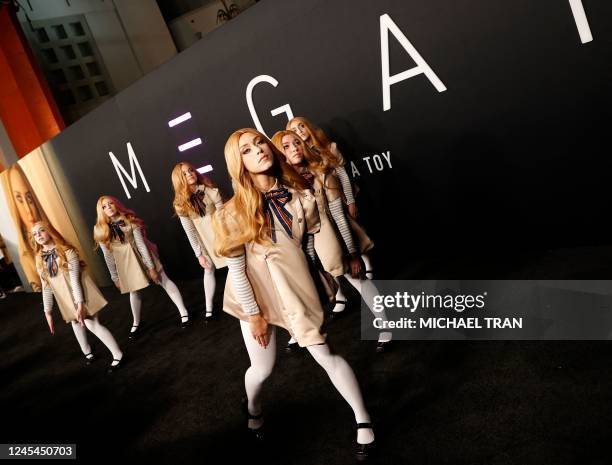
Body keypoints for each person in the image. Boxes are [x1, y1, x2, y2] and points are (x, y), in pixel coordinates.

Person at [212, 128, 375, 459]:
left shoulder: (302, 197)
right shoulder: (230, 214)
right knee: (263, 370)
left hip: (295, 290)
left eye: (260, 142)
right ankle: (254, 410)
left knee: (324, 352)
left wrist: (319, 282)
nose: (259, 149)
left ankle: (363, 421)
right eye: (247, 149)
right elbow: (238, 270)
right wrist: (255, 314)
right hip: (255, 296)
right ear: (237, 163)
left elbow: (310, 245)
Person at [272, 130, 392, 353]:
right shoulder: (278, 187)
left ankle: (385, 325)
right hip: (302, 250)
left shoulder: (321, 175)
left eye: (297, 142)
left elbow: (338, 216)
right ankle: (299, 335)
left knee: (358, 279)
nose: (295, 147)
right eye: (286, 146)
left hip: (332, 240)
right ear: (278, 154)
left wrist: (353, 253)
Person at [287, 117, 375, 279]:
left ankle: (365, 262)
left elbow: (343, 176)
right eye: (293, 130)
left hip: (337, 197)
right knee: (335, 240)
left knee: (352, 230)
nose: (299, 131)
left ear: (309, 127)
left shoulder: (328, 148)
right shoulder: (298, 159)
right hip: (320, 204)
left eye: (301, 126)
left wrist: (351, 201)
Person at [31, 221, 124, 373]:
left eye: (41, 231)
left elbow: (74, 280)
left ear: (49, 231)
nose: (38, 235)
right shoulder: (39, 258)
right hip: (64, 297)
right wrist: (47, 311)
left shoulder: (67, 251)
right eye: (35, 234)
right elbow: (45, 286)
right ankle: (87, 352)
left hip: (82, 292)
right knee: (75, 322)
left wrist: (79, 304)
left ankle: (118, 354)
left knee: (90, 323)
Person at [93, 196, 190, 336]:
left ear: (116, 204)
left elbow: (141, 245)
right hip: (124, 263)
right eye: (104, 206)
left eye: (110, 203)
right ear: (100, 211)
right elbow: (107, 256)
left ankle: (183, 311)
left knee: (163, 280)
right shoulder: (99, 229)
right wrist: (114, 277)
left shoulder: (129, 220)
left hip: (142, 255)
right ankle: (137, 322)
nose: (108, 207)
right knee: (134, 291)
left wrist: (151, 267)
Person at [171, 162, 226, 320]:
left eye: (191, 170)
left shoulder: (210, 191)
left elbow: (223, 215)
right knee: (208, 269)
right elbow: (190, 231)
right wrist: (199, 254)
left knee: (235, 266)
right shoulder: (181, 204)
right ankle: (209, 306)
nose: (190, 174)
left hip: (221, 233)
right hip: (204, 240)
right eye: (184, 173)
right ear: (178, 179)